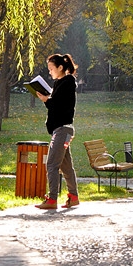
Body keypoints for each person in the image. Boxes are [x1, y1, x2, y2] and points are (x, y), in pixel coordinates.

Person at [34, 53, 80, 209]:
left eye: (51, 68)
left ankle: (52, 199)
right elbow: (56, 105)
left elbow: (60, 106)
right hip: (61, 130)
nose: (50, 72)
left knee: (52, 164)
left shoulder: (67, 83)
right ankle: (73, 197)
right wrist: (48, 100)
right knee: (66, 166)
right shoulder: (60, 83)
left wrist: (47, 100)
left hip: (62, 130)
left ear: (61, 67)